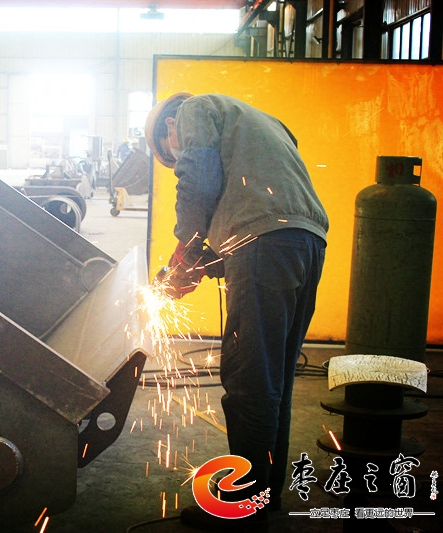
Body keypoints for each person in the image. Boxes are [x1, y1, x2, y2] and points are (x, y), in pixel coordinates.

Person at [145, 93, 329, 531]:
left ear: (168, 127)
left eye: (171, 154)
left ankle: (244, 505)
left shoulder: (193, 109)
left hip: (266, 243)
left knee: (249, 381)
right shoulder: (261, 121)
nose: (176, 158)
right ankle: (265, 493)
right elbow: (261, 212)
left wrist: (186, 248)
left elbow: (198, 180)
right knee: (273, 377)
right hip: (308, 241)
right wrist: (206, 263)